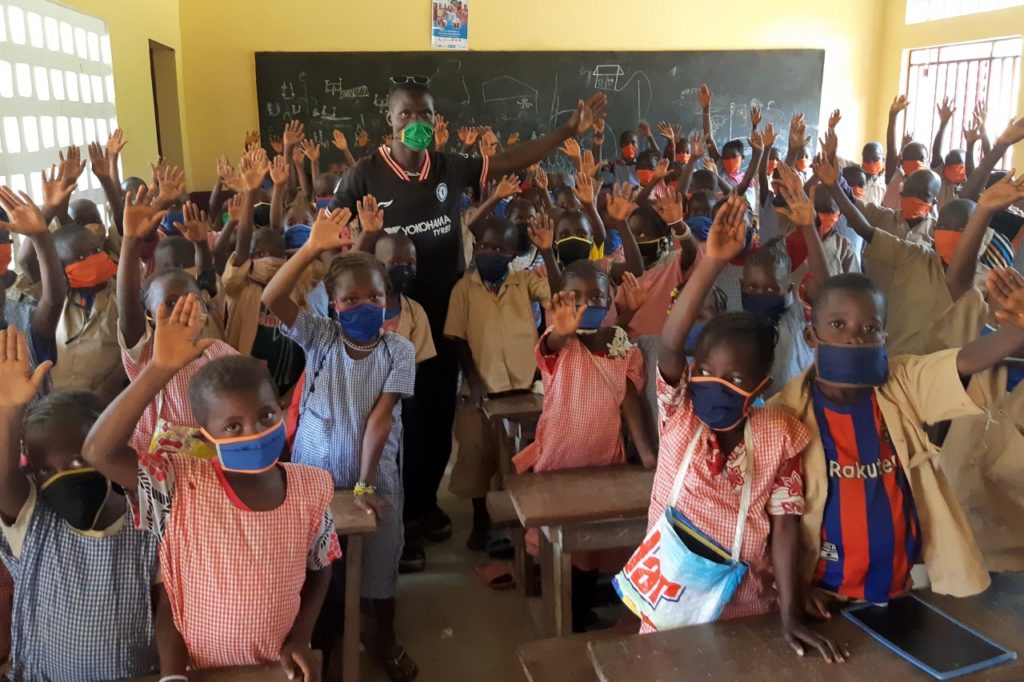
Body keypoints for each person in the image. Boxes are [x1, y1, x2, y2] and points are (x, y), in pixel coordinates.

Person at [333, 80, 606, 549]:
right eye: (406, 116)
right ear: (390, 120)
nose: (415, 125)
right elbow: (331, 239)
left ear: (435, 121)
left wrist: (565, 131)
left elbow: (510, 160)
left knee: (437, 418)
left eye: (425, 116)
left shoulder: (449, 167)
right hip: (390, 317)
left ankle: (422, 505)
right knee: (393, 418)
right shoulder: (364, 175)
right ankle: (391, 517)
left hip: (445, 312)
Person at [82, 295, 340, 679]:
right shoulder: (180, 484)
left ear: (281, 409)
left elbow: (321, 567)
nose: (254, 432)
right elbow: (98, 451)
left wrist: (301, 637)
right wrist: (158, 370)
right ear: (207, 435)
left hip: (276, 667)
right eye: (232, 426)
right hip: (199, 669)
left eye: (266, 415)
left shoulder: (311, 487)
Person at [645, 195, 843, 661]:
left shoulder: (777, 433)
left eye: (734, 380)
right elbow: (672, 346)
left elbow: (785, 526)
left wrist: (790, 609)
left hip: (748, 603)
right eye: (707, 370)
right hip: (669, 594)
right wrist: (711, 263)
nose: (714, 384)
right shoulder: (680, 415)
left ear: (760, 387)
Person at [771, 266, 1024, 609]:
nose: (854, 337)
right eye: (837, 324)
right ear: (811, 337)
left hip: (899, 584)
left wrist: (1016, 331)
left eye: (870, 328)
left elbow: (963, 362)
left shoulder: (901, 384)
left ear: (884, 339)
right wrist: (796, 591)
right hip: (819, 592)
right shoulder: (784, 415)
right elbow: (772, 522)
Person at [262, 209, 417, 682]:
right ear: (331, 304)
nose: (365, 306)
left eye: (375, 296)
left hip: (374, 473)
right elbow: (273, 296)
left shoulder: (398, 350)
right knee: (318, 563)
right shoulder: (320, 338)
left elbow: (380, 421)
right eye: (350, 299)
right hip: (317, 474)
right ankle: (319, 641)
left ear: (388, 298)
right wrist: (310, 248)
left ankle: (383, 637)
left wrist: (367, 488)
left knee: (379, 558)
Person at [0, 329, 160, 681]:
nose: (59, 478)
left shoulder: (147, 524)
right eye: (44, 471)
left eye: (75, 463)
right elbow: (4, 482)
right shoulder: (34, 526)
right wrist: (9, 412)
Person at [445, 216, 555, 550]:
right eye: (486, 246)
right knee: (477, 454)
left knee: (520, 457)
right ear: (476, 248)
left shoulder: (524, 281)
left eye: (501, 248)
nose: (491, 252)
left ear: (513, 254)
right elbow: (457, 337)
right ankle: (481, 519)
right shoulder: (464, 289)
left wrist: (548, 253)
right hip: (482, 388)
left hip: (524, 384)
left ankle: (516, 521)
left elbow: (558, 293)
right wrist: (474, 380)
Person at [116, 185, 238, 458]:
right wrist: (130, 241)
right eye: (170, 302)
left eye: (191, 299)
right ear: (148, 312)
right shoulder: (146, 351)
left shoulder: (218, 351)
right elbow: (127, 310)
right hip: (156, 468)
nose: (183, 307)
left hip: (210, 464)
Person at [222, 150, 318, 395]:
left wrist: (278, 187)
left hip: (291, 386)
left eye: (276, 253)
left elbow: (277, 230)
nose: (269, 259)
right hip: (246, 386)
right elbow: (243, 242)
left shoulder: (294, 283)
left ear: (286, 256)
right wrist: (250, 193)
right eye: (260, 254)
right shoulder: (240, 285)